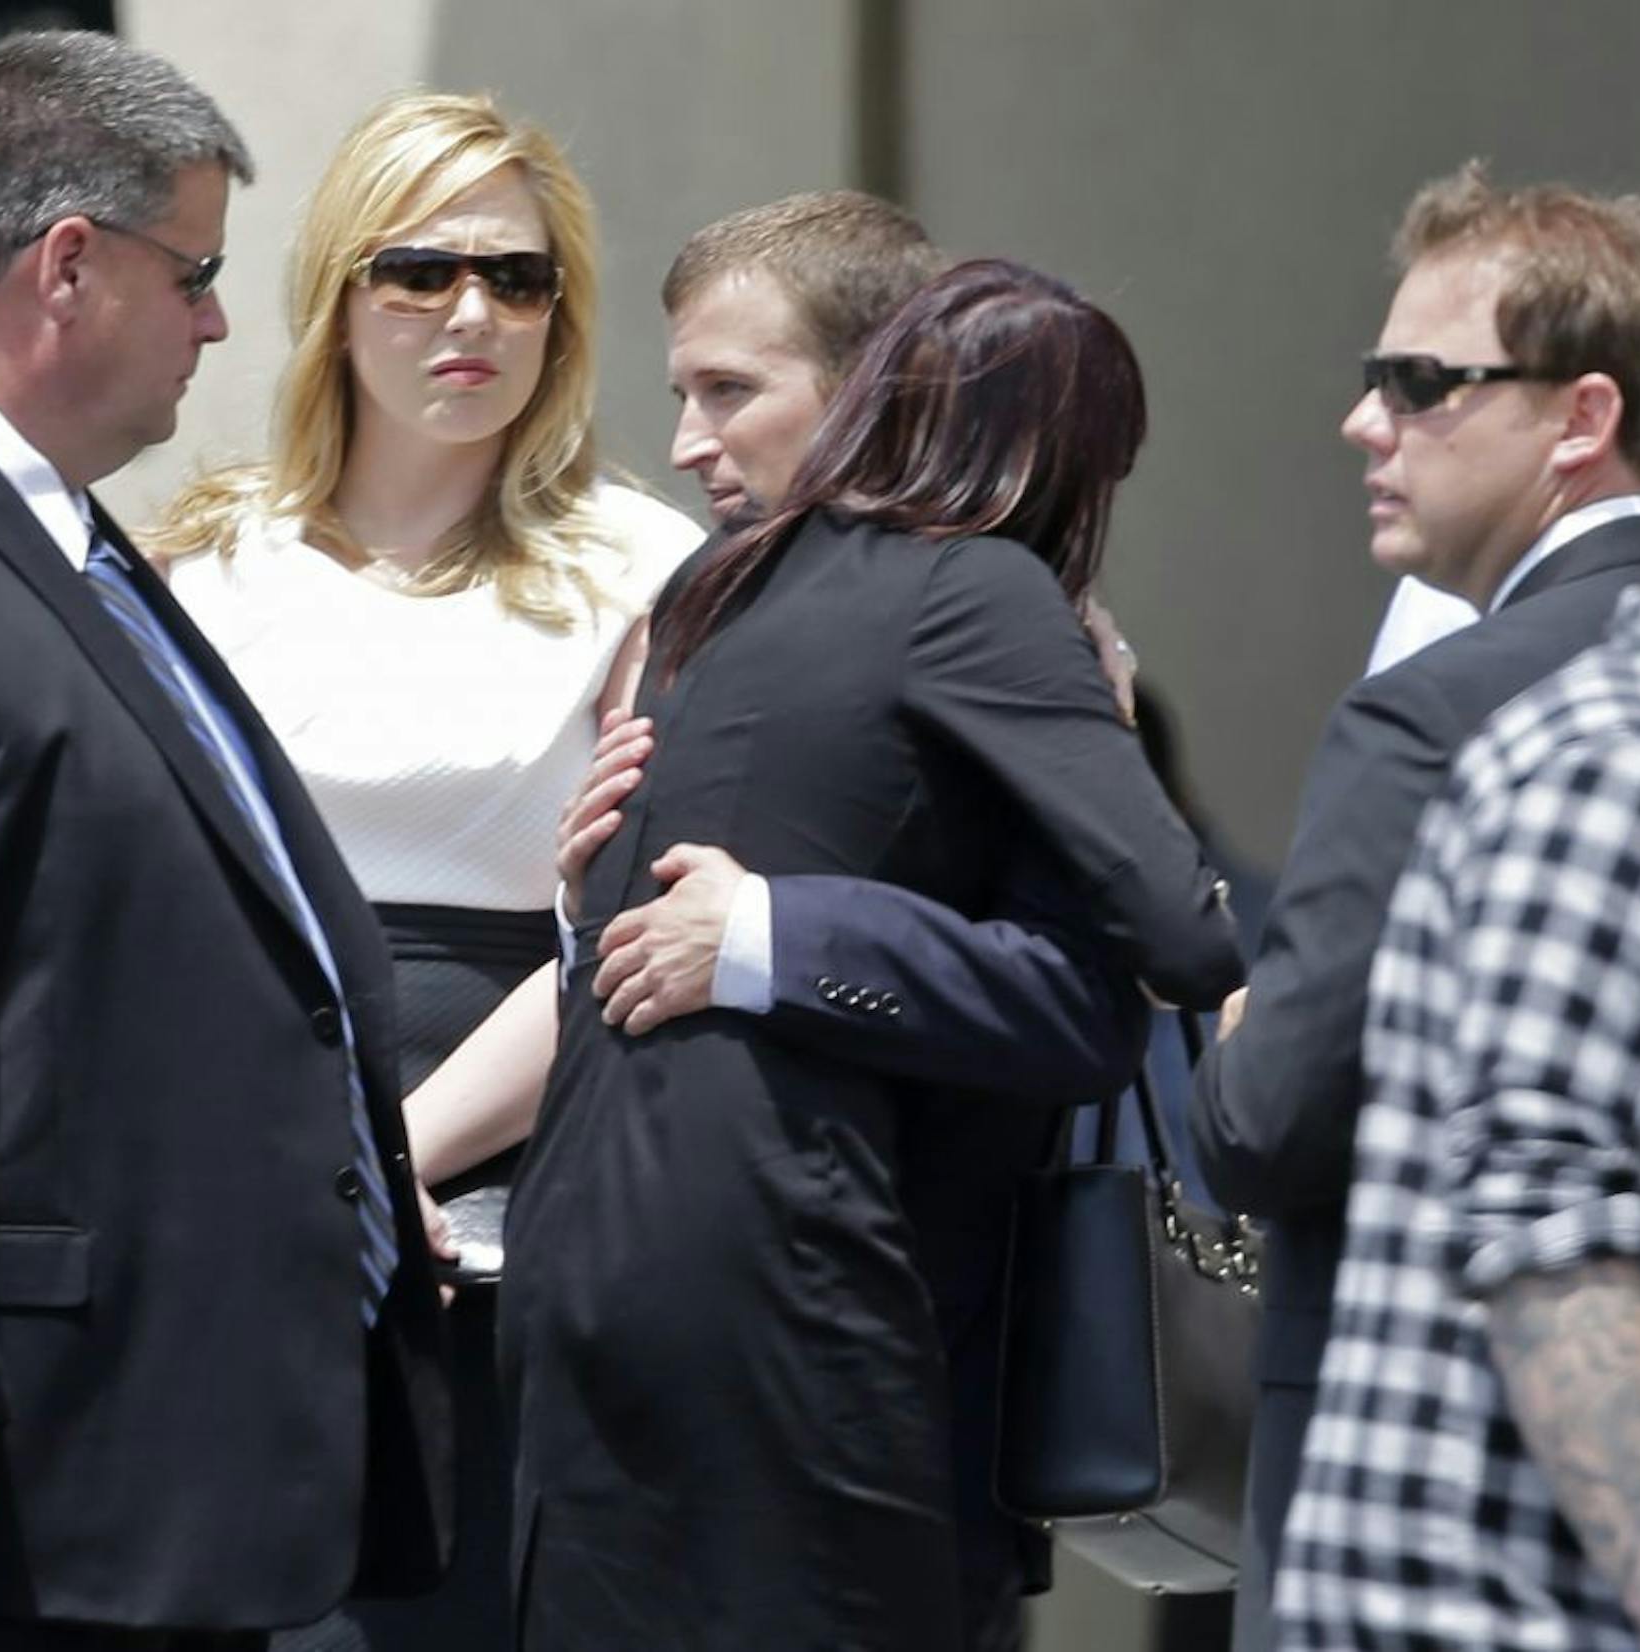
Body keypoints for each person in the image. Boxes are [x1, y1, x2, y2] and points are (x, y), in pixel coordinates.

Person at [0, 32, 449, 1648]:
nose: (214, 320)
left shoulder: (34, 513)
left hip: (180, 1434)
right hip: (55, 1459)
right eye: (194, 273)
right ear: (70, 265)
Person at [501, 258, 1239, 1650]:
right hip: (804, 1286)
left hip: (582, 1260)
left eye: (728, 390)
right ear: (1048, 453)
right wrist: (1108, 730)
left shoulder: (706, 607)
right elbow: (1175, 932)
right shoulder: (980, 589)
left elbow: (633, 902)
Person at [152, 90, 700, 1651]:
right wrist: (296, 1185)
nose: (475, 312)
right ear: (337, 295)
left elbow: (621, 929)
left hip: (510, 1175)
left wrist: (390, 1167)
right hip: (241, 1173)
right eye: (421, 270)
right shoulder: (202, 558)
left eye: (519, 279)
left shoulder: (642, 567)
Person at [1187, 162, 1640, 1652]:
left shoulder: (1448, 710)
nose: (1366, 422)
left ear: (1584, 420)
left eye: (1420, 383)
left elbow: (1271, 1120)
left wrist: (1238, 1027)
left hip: (1449, 1524)